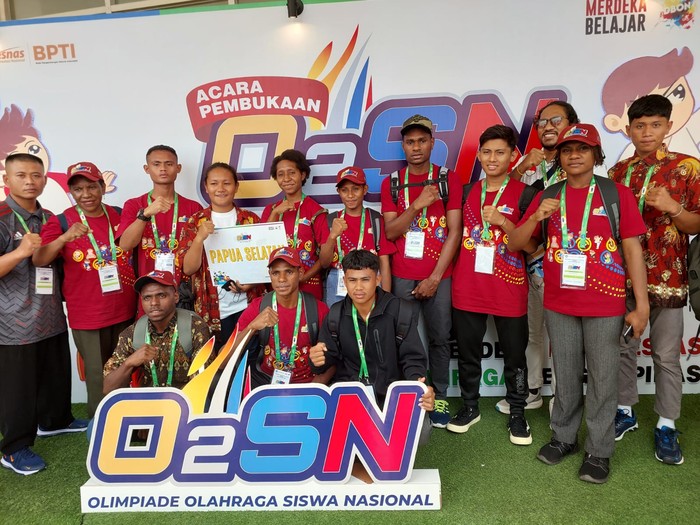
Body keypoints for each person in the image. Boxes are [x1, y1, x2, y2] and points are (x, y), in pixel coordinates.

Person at [508, 124, 649, 484]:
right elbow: (515, 243)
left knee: (603, 380)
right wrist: (536, 217)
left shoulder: (615, 194)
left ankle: (599, 451)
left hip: (606, 303)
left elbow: (633, 249)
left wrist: (642, 305)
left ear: (596, 155)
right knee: (567, 375)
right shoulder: (548, 194)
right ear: (559, 156)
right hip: (559, 303)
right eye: (567, 149)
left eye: (582, 149)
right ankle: (564, 437)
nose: (574, 155)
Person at [608, 94, 700, 465]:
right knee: (622, 348)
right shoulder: (617, 173)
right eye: (640, 126)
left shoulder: (687, 168)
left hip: (669, 276)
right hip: (622, 277)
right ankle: (625, 410)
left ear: (668, 126)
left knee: (665, 355)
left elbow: (696, 224)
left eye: (655, 125)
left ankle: (666, 424)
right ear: (628, 129)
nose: (647, 132)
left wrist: (674, 208)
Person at [0, 153, 87, 477]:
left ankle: (55, 420)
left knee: (54, 373)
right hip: (12, 322)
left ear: (45, 180)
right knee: (18, 388)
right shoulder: (2, 217)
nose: (29, 181)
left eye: (36, 175)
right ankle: (14, 448)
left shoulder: (50, 217)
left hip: (49, 315)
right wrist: (20, 252)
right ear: (6, 180)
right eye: (21, 175)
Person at [448, 125, 532, 445]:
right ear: (479, 156)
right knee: (468, 355)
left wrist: (503, 221)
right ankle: (470, 407)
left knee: (515, 358)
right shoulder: (466, 191)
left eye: (500, 152)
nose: (492, 158)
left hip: (509, 289)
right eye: (486, 152)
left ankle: (518, 412)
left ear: (513, 156)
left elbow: (532, 246)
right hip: (468, 288)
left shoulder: (525, 194)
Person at [33, 162, 137, 418]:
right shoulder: (61, 221)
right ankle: (101, 428)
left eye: (91, 187)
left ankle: (127, 424)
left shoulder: (118, 214)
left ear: (102, 187)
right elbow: (39, 259)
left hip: (125, 308)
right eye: (78, 189)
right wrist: (63, 238)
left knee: (126, 369)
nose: (86, 194)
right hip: (88, 314)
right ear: (71, 192)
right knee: (97, 375)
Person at [496, 101, 580, 415]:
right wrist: (520, 168)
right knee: (532, 333)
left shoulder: (582, 162)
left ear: (571, 124)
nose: (547, 127)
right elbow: (504, 196)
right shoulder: (530, 165)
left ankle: (563, 397)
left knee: (564, 337)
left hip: (569, 266)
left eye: (555, 120)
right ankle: (532, 390)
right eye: (541, 122)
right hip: (532, 262)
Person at [380, 114, 462, 428]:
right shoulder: (392, 183)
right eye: (410, 142)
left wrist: (435, 278)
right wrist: (417, 204)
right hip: (402, 274)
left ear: (432, 142)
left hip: (439, 276)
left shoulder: (447, 178)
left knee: (440, 338)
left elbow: (455, 231)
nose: (416, 147)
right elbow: (390, 232)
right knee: (404, 337)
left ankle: (438, 395)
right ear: (403, 145)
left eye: (422, 141)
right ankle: (410, 394)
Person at [309, 249, 434, 440]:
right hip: (352, 394)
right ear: (344, 281)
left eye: (365, 279)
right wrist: (317, 360)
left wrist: (419, 384)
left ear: (377, 279)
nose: (358, 287)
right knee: (327, 430)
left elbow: (412, 358)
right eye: (352, 280)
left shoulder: (400, 310)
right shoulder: (335, 314)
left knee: (422, 431)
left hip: (390, 394)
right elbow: (326, 360)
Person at [178, 162, 265, 348]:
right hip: (211, 310)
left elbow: (265, 263)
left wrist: (252, 282)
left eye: (226, 183)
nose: (220, 188)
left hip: (248, 306)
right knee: (218, 359)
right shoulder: (195, 222)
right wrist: (199, 238)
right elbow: (188, 268)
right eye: (214, 183)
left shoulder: (251, 219)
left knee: (248, 356)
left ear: (236, 186)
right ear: (206, 187)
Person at [234, 247, 333, 388]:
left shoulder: (318, 309)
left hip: (307, 385)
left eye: (289, 272)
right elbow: (223, 361)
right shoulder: (258, 307)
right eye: (276, 273)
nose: (281, 279)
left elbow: (334, 360)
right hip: (267, 382)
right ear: (270, 275)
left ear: (300, 273)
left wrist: (314, 388)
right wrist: (251, 327)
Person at [103, 270, 212, 393]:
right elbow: (108, 388)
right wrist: (129, 363)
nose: (154, 303)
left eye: (161, 295)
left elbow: (202, 383)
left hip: (187, 400)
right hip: (148, 401)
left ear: (176, 297)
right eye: (147, 298)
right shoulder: (133, 333)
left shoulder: (196, 328)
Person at [116, 145, 202, 294]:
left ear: (178, 168)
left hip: (183, 292)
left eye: (169, 164)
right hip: (149, 291)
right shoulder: (134, 205)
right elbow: (125, 245)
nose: (163, 169)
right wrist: (145, 214)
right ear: (147, 168)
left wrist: (194, 293)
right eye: (156, 164)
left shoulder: (193, 207)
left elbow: (200, 254)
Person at [319, 166, 394, 306]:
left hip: (369, 277)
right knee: (338, 319)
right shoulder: (331, 220)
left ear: (365, 189)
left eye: (355, 189)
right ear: (338, 192)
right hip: (338, 278)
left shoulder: (376, 219)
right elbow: (324, 263)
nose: (350, 195)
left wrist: (386, 298)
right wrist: (332, 237)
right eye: (344, 190)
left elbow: (384, 262)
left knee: (371, 318)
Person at [261, 149, 329, 301]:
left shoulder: (316, 211)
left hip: (308, 284)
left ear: (302, 175)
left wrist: (303, 277)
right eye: (280, 174)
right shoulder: (271, 210)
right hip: (279, 285)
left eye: (292, 173)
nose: (286, 179)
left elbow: (324, 257)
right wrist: (275, 213)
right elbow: (262, 245)